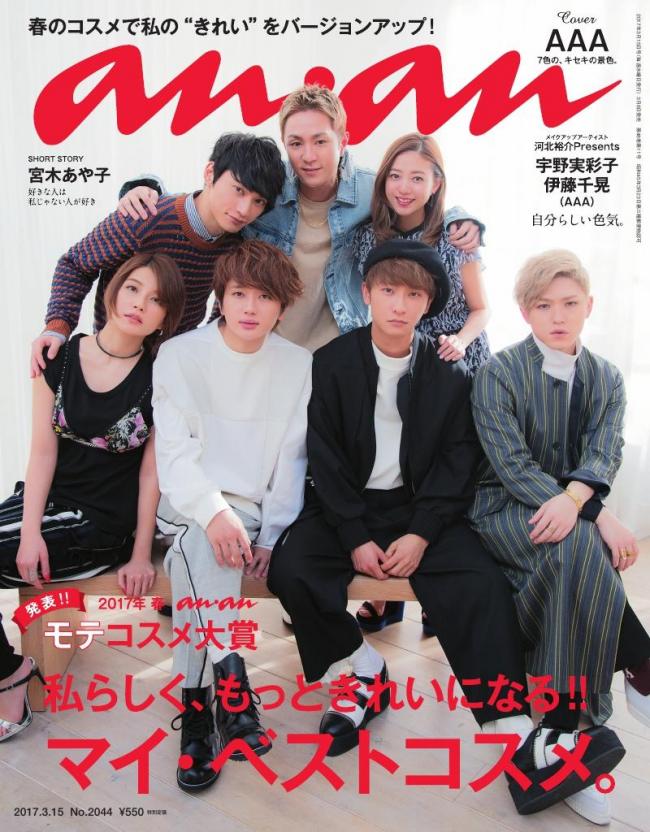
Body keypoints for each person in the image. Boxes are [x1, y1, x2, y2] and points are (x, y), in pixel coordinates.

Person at [268, 239, 624, 817]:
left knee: (479, 584)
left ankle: (516, 732)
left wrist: (421, 532)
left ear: (429, 302)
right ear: (366, 294)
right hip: (345, 508)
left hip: (421, 510)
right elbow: (323, 456)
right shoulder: (330, 362)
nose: (400, 304)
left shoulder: (450, 370)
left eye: (413, 295)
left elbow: (459, 461)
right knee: (293, 568)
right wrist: (354, 533)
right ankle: (362, 669)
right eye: (388, 290)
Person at [469, 249, 650, 824]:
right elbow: (510, 462)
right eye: (543, 305)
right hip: (505, 506)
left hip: (570, 513)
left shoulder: (608, 377)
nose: (558, 316)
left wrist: (578, 506)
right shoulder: (498, 372)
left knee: (573, 549)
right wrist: (595, 514)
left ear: (589, 305)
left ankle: (560, 725)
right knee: (580, 544)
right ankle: (638, 661)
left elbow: (604, 452)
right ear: (525, 311)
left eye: (570, 303)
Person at [117, 85, 484, 354]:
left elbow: (415, 200)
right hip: (265, 342)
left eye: (320, 141)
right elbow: (213, 199)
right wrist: (146, 186)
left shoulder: (370, 190)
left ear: (343, 141)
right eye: (295, 143)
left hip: (338, 345)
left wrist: (460, 217)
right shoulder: (268, 190)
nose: (308, 156)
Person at [0, 252, 186, 741]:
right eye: (133, 289)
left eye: (156, 300)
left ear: (165, 318)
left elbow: (151, 474)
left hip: (100, 524)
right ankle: (9, 670)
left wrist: (141, 554)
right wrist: (30, 532)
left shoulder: (160, 377)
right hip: (46, 502)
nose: (139, 304)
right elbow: (42, 453)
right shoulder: (59, 358)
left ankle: (7, 680)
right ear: (112, 290)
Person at [152, 240, 311, 793]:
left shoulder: (297, 364)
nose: (250, 307)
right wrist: (213, 511)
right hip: (185, 502)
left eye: (265, 297)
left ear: (282, 308)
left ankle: (197, 716)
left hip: (249, 514)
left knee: (202, 555)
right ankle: (232, 686)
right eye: (239, 293)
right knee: (205, 538)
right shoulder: (179, 355)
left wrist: (272, 535)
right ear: (220, 296)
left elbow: (292, 458)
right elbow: (174, 456)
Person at [351, 132, 491, 634]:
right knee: (394, 470)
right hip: (393, 362)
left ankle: (434, 588)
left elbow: (480, 308)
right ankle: (388, 596)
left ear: (436, 184)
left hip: (451, 362)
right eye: (395, 175)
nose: (404, 187)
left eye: (417, 177)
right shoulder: (368, 236)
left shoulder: (457, 235)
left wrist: (459, 340)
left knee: (448, 469)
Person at [29, 133, 286, 376]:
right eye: (238, 190)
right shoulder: (146, 216)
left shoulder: (235, 245)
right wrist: (58, 327)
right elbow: (76, 264)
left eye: (258, 201)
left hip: (171, 369)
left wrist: (202, 351)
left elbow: (224, 309)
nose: (244, 210)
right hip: (114, 359)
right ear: (210, 173)